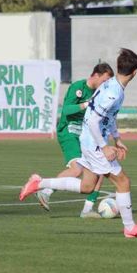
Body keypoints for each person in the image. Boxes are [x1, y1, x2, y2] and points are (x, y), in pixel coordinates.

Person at [19, 48, 137, 238]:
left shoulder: (110, 86)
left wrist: (117, 139)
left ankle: (39, 183)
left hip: (88, 140)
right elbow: (93, 120)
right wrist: (105, 145)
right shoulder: (114, 92)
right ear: (135, 72)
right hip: (94, 143)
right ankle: (130, 228)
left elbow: (107, 117)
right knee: (123, 181)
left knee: (88, 186)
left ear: (118, 68)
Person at [35, 62, 114, 218]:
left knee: (102, 168)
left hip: (86, 135)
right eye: (104, 81)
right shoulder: (78, 87)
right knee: (77, 169)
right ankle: (45, 191)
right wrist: (86, 104)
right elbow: (66, 110)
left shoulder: (100, 93)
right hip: (68, 131)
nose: (105, 85)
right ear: (96, 75)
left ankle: (87, 210)